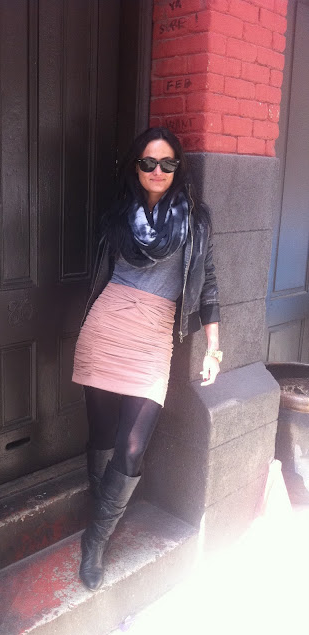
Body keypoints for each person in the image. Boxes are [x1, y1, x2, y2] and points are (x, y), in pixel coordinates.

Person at [72, 127, 221, 591]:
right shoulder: (118, 215)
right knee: (101, 435)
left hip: (155, 336)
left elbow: (209, 284)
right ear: (136, 167)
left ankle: (95, 538)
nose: (158, 171)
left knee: (132, 446)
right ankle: (97, 532)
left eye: (168, 163)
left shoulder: (196, 220)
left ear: (179, 167)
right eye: (149, 162)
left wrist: (214, 347)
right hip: (107, 327)